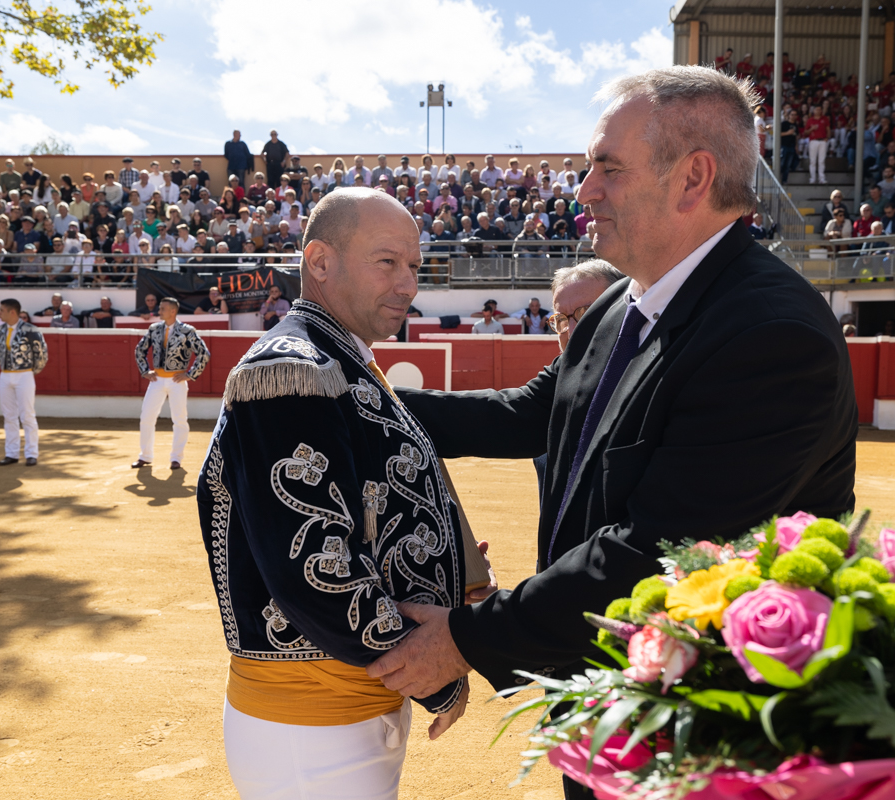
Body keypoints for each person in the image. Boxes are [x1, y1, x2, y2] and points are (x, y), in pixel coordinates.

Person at [364, 66, 857, 800]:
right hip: (601, 684)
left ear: (693, 178)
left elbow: (655, 550)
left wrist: (466, 638)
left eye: (608, 168)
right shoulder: (622, 301)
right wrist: (358, 407)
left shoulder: (771, 333)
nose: (584, 190)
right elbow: (530, 414)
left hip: (695, 726)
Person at [196, 188, 482, 800]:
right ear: (320, 262)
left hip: (342, 707)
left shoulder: (340, 363)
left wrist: (445, 570)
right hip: (313, 719)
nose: (408, 284)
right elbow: (314, 565)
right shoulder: (296, 368)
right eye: (387, 262)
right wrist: (432, 672)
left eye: (414, 265)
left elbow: (364, 518)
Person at [132, 297, 210, 470]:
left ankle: (176, 458)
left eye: (162, 309)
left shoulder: (187, 331)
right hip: (157, 379)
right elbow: (140, 349)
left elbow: (203, 353)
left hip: (177, 380)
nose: (159, 312)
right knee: (146, 417)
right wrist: (145, 371)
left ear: (173, 311)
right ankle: (145, 456)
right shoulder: (154, 329)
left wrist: (190, 374)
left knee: (180, 420)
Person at [0, 298, 47, 466]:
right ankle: (12, 453)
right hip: (5, 375)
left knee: (27, 415)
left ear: (12, 312)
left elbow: (41, 355)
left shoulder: (31, 330)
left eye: (1, 310)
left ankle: (31, 453)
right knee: (9, 416)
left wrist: (30, 372)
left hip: (24, 374)